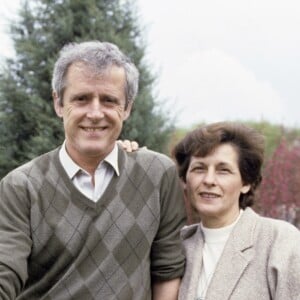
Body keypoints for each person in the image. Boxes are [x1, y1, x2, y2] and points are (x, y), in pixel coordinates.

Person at [0, 41, 186, 300]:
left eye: (109, 100)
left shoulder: (158, 174)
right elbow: (5, 269)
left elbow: (167, 269)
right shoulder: (21, 186)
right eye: (81, 99)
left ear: (128, 107)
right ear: (58, 103)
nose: (95, 113)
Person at [172, 122, 300, 300]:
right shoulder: (177, 245)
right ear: (185, 179)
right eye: (199, 168)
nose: (209, 180)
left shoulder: (280, 242)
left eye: (223, 170)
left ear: (246, 183)